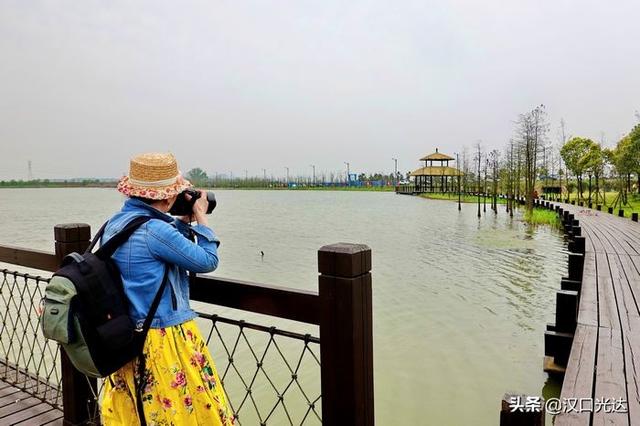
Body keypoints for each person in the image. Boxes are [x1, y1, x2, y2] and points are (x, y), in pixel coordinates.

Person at [100, 153, 234, 425]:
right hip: (162, 338)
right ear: (169, 196)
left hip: (127, 337)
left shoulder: (114, 223)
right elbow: (208, 261)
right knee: (183, 413)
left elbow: (158, 247)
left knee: (142, 414)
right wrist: (200, 217)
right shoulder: (156, 232)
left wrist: (182, 222)